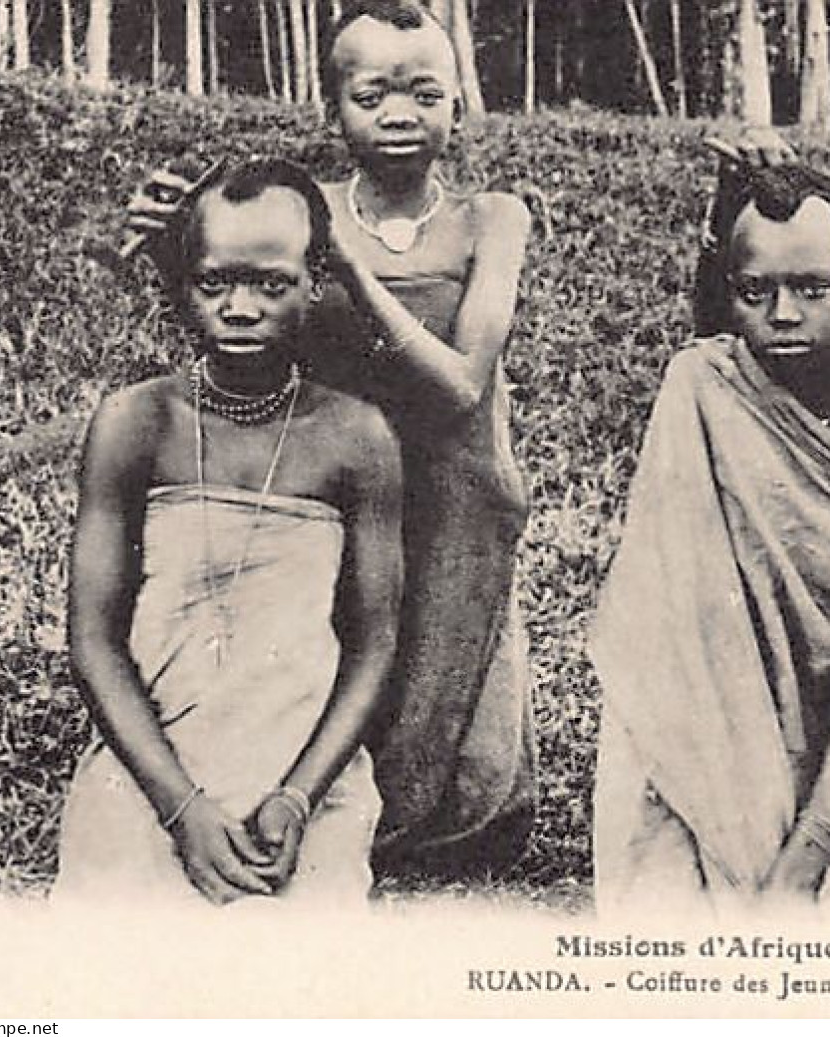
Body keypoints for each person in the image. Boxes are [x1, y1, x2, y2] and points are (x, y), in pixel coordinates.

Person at [124, 0, 535, 878]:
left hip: (457, 482)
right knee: (340, 641)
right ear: (330, 108)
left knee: (448, 666)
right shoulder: (303, 210)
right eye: (369, 92)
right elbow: (240, 314)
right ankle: (323, 807)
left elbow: (464, 384)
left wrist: (347, 265)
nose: (397, 113)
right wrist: (171, 245)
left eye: (424, 92)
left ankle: (444, 836)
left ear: (459, 105)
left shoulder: (491, 218)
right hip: (341, 475)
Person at [588, 162, 830, 917]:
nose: (784, 313)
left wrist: (810, 845)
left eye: (814, 288)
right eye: (756, 291)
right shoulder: (701, 387)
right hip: (715, 748)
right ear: (728, 294)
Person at [58, 158, 404, 908]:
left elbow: (375, 643)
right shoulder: (136, 423)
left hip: (301, 774)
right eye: (215, 282)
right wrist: (181, 809)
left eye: (271, 284)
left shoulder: (357, 438)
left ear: (317, 282)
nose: (240, 306)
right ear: (184, 285)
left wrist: (299, 798)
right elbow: (92, 638)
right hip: (151, 769)